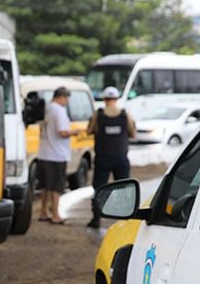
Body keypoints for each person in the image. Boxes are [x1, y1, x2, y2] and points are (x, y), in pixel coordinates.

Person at [86, 86, 137, 228]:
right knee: (123, 189)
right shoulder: (125, 114)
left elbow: (89, 130)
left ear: (104, 99)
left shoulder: (98, 114)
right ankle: (125, 219)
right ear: (116, 99)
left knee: (99, 188)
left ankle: (96, 218)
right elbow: (133, 134)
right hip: (121, 158)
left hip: (102, 157)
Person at [37, 86, 74, 225]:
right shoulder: (59, 110)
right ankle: (55, 215)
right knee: (56, 186)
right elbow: (62, 132)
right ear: (62, 97)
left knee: (45, 185)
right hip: (57, 154)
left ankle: (43, 212)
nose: (67, 102)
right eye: (67, 98)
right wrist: (75, 132)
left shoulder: (46, 108)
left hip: (43, 152)